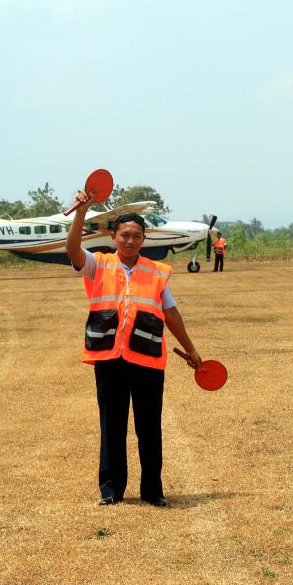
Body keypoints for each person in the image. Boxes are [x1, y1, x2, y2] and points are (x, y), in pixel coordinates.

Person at [66, 189, 202, 508]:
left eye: (136, 236)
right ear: (114, 237)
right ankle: (111, 489)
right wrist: (82, 213)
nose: (130, 241)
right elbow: (72, 249)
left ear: (144, 239)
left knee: (149, 427)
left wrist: (192, 350)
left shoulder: (157, 272)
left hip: (148, 360)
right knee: (112, 425)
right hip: (110, 359)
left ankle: (153, 490)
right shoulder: (97, 265)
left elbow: (171, 313)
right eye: (125, 235)